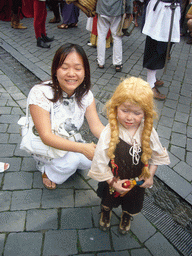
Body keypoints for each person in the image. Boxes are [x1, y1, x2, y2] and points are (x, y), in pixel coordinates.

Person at [88, 77, 170, 234]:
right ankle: (106, 212)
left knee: (131, 204)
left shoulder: (148, 131)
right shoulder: (110, 132)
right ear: (116, 107)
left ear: (145, 113)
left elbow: (157, 157)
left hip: (136, 182)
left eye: (137, 113)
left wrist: (150, 175)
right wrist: (112, 182)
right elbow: (99, 162)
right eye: (124, 110)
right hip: (113, 180)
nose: (130, 118)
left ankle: (126, 216)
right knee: (108, 200)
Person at [28, 43, 104, 189]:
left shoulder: (86, 95)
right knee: (71, 163)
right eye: (64, 67)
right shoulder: (40, 93)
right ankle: (45, 169)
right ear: (55, 70)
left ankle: (64, 162)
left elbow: (96, 127)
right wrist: (82, 149)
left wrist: (118, 140)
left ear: (85, 71)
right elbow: (46, 136)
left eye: (77, 68)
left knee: (95, 159)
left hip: (70, 139)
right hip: (44, 144)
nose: (71, 73)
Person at [142, 0, 181, 100]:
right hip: (160, 10)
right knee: (155, 46)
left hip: (171, 9)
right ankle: (150, 85)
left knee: (164, 47)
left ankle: (153, 78)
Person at [96, 0, 133, 72]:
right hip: (116, 9)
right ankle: (117, 63)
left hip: (102, 7)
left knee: (101, 36)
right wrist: (129, 10)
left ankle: (100, 62)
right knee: (117, 37)